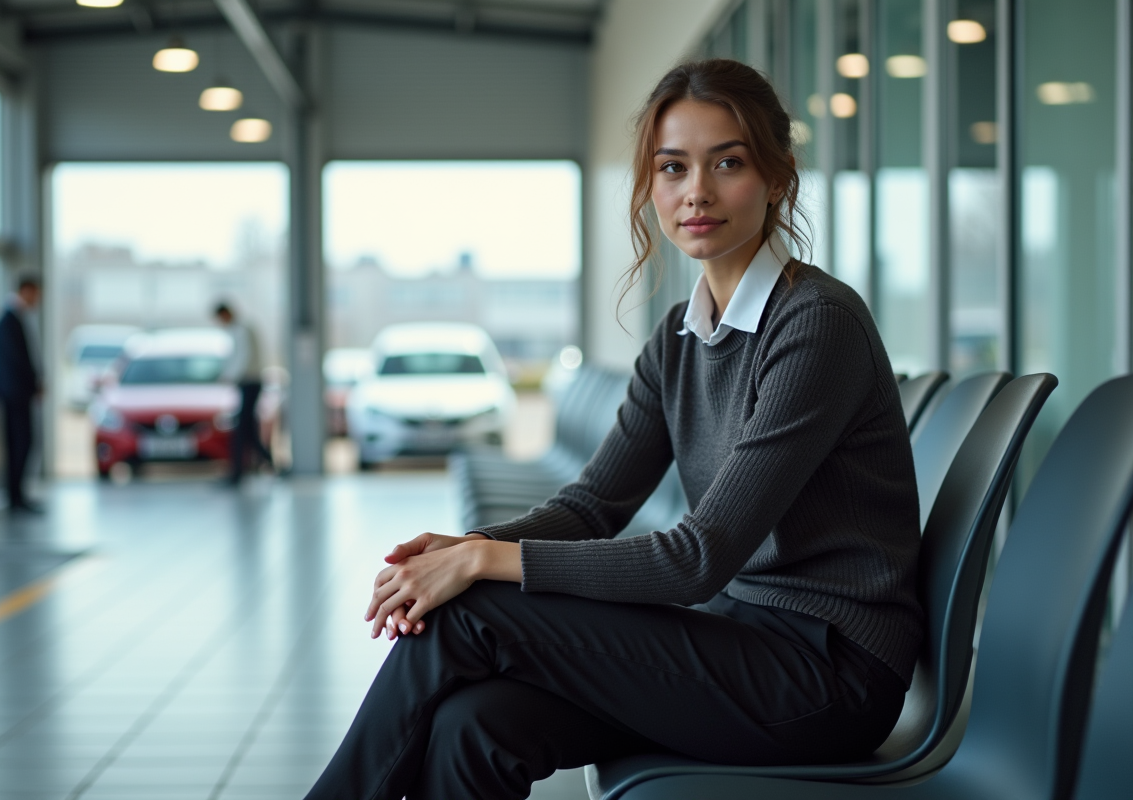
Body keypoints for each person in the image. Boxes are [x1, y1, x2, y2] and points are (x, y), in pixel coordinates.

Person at [303, 59, 924, 800]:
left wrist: (481, 564)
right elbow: (593, 505)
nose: (696, 191)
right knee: (475, 725)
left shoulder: (816, 324)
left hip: (828, 675)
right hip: (742, 639)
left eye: (728, 163)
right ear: (651, 187)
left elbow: (697, 560)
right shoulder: (680, 338)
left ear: (777, 178)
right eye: (673, 167)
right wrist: (468, 546)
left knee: (470, 615)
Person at [0, 276, 43, 513]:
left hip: (19, 392)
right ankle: (15, 497)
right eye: (36, 294)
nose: (38, 300)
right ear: (26, 291)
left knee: (23, 443)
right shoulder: (8, 321)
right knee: (20, 443)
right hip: (15, 394)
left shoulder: (17, 319)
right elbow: (17, 360)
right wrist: (34, 383)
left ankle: (18, 496)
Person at [214, 302, 273, 483]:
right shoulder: (239, 330)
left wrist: (229, 376)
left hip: (250, 382)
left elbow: (242, 357)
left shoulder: (241, 330)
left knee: (241, 428)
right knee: (248, 428)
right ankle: (269, 462)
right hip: (248, 382)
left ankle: (237, 472)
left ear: (226, 314)